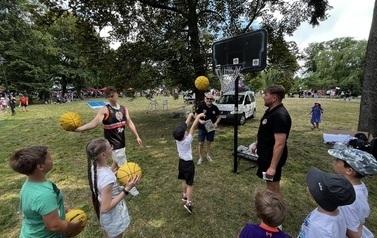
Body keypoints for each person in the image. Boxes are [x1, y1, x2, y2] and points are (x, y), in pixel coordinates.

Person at [76, 86, 142, 195]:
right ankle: (129, 186)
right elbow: (94, 123)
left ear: (117, 94)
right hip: (112, 144)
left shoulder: (124, 109)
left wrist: (137, 136)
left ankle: (101, 179)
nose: (111, 98)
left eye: (112, 96)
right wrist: (79, 129)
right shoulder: (105, 110)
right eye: (108, 97)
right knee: (124, 166)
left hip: (121, 142)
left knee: (116, 162)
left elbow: (129, 122)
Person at [9, 146, 83, 237]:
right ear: (40, 167)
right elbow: (54, 226)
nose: (52, 159)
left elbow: (42, 208)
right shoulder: (44, 194)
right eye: (49, 158)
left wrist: (65, 210)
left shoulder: (29, 184)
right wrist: (73, 227)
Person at [86, 138, 139, 238]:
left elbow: (104, 181)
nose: (112, 148)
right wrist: (126, 189)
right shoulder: (107, 177)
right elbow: (106, 207)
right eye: (110, 147)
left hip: (104, 216)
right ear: (103, 155)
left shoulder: (94, 168)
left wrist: (116, 173)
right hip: (112, 216)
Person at [251, 85, 291, 198]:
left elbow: (279, 144)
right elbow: (266, 132)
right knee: (269, 184)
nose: (263, 97)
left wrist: (273, 167)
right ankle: (271, 209)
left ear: (274, 98)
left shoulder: (279, 116)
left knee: (274, 187)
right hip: (265, 156)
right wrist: (257, 143)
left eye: (266, 95)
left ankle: (278, 212)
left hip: (272, 159)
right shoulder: (270, 111)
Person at [328, 148, 377, 238]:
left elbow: (354, 235)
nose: (334, 161)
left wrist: (360, 223)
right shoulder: (360, 186)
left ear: (349, 170)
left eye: (338, 160)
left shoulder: (347, 198)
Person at [298, 167, 356, 238]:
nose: (309, 185)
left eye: (314, 185)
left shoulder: (320, 228)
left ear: (321, 197)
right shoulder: (337, 213)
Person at [173, 112, 205, 213]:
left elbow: (186, 125)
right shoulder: (187, 141)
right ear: (184, 134)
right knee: (190, 184)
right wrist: (198, 116)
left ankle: (184, 195)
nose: (186, 131)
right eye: (185, 132)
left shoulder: (178, 140)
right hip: (188, 164)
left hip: (181, 162)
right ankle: (189, 203)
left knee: (184, 179)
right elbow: (193, 127)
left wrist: (190, 116)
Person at [195, 92, 221, 165]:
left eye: (210, 99)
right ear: (205, 99)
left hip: (210, 128)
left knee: (209, 143)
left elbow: (218, 117)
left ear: (212, 99)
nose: (209, 100)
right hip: (202, 128)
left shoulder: (215, 108)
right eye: (207, 98)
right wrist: (200, 121)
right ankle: (200, 158)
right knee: (200, 143)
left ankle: (208, 156)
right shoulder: (201, 106)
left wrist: (216, 123)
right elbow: (195, 115)